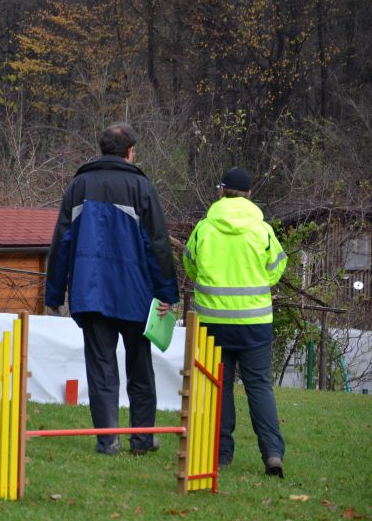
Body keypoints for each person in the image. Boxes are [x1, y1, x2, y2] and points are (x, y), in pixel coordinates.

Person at [45, 122, 180, 455]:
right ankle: (142, 439)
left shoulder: (78, 186)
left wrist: (53, 293)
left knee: (101, 371)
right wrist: (167, 294)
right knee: (140, 370)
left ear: (102, 149)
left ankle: (108, 441)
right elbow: (158, 244)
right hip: (136, 295)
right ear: (130, 151)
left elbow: (61, 243)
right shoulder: (141, 187)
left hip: (90, 296)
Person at [183, 166, 288, 477]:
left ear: (221, 190)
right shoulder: (263, 230)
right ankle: (272, 453)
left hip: (212, 320)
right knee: (259, 386)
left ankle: (220, 454)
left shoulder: (204, 228)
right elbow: (276, 268)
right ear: (250, 194)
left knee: (219, 387)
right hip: (254, 321)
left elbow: (191, 266)